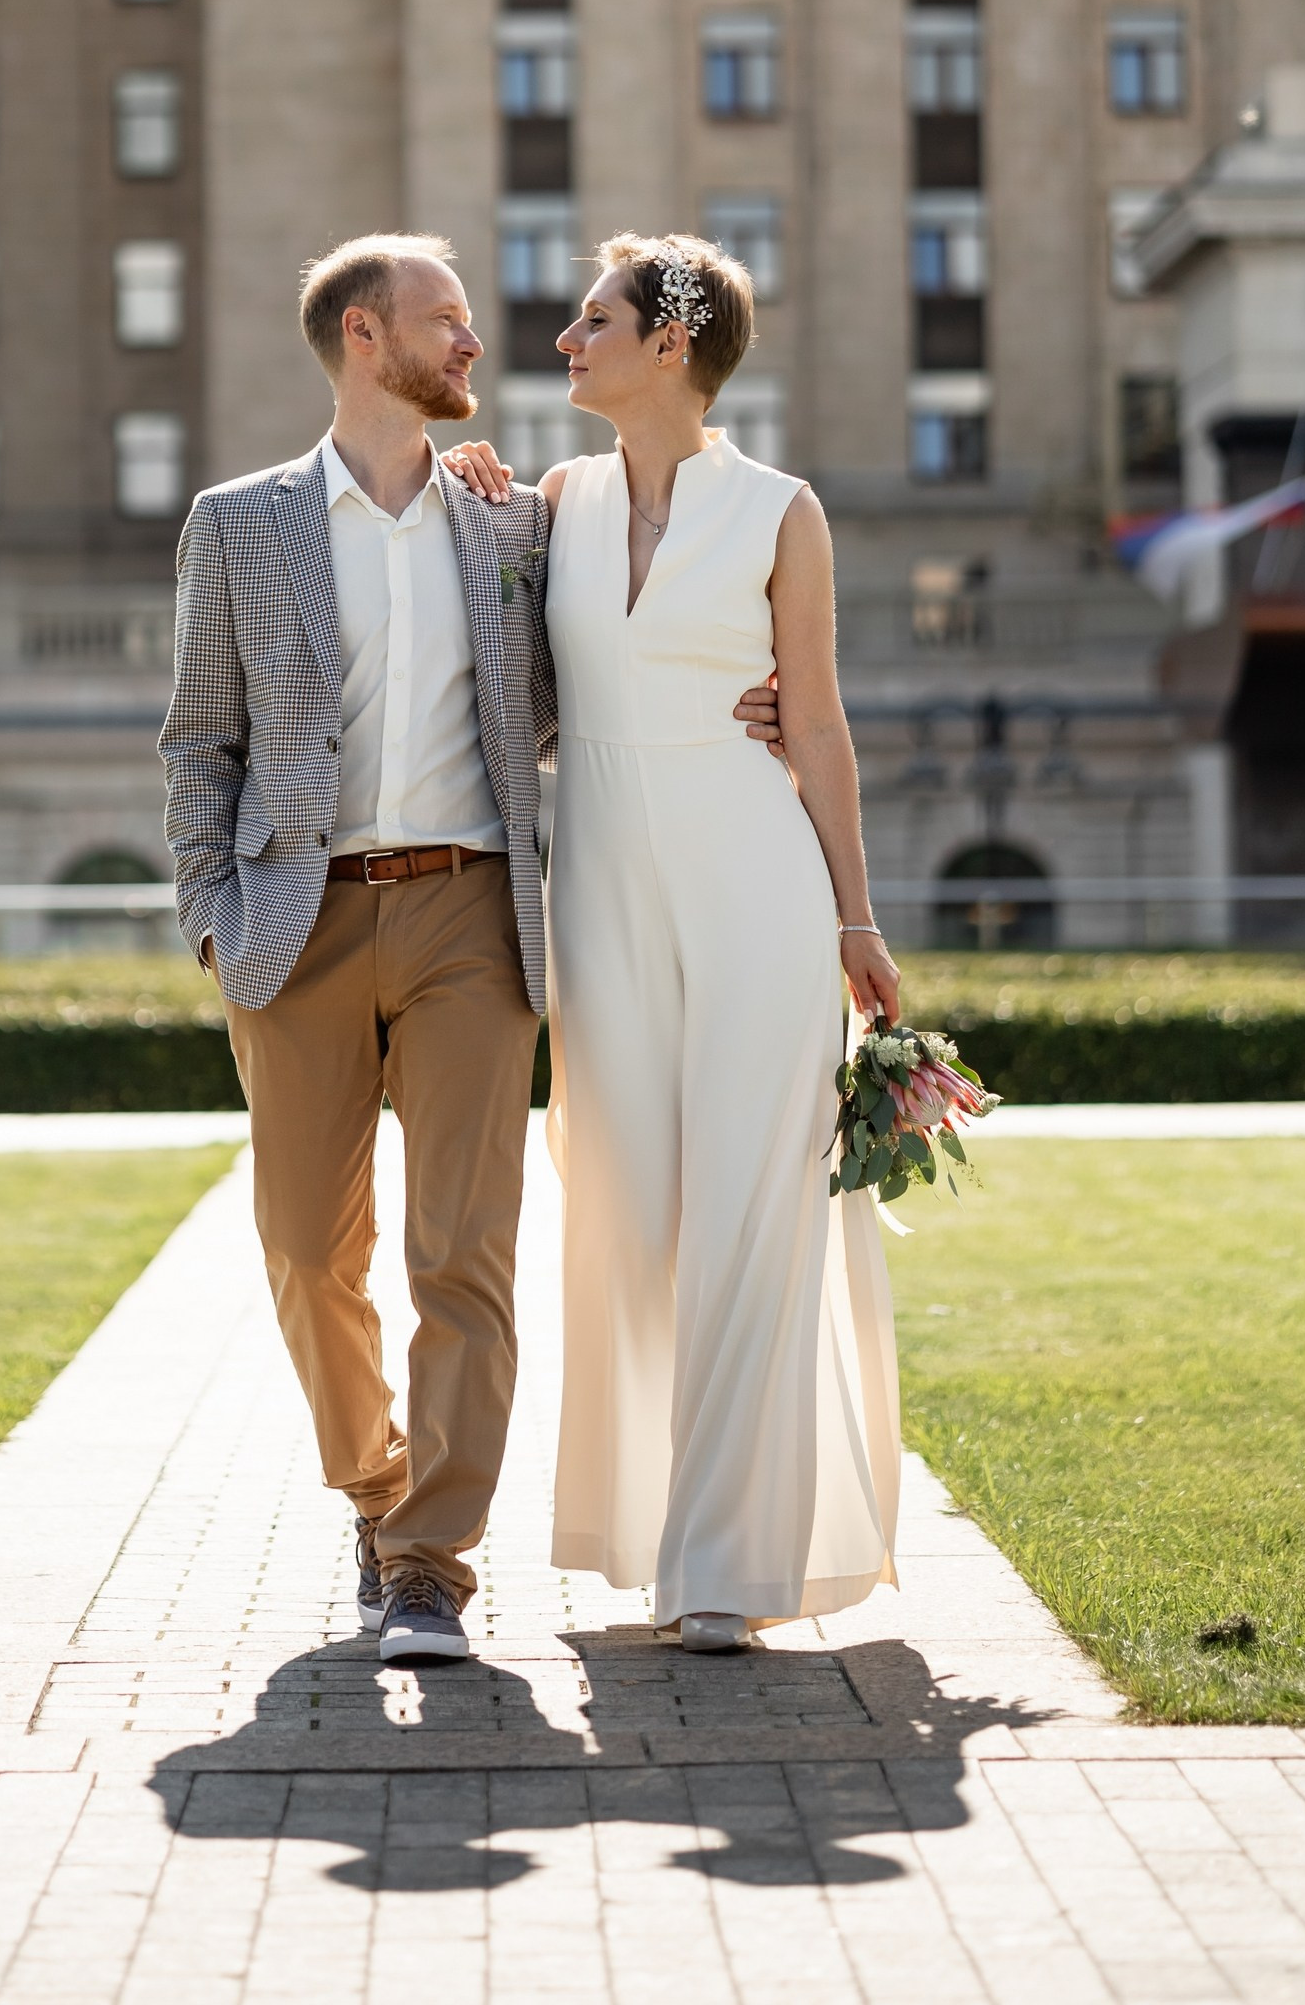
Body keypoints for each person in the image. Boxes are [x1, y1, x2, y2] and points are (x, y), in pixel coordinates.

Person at [159, 231, 783, 1665]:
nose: (475, 346)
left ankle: (432, 1564)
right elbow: (201, 739)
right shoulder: (239, 524)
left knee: (466, 1257)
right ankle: (379, 1492)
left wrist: (738, 709)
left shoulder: (514, 524)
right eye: (445, 322)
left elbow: (595, 679)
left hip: (471, 917)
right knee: (306, 1253)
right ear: (366, 341)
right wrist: (209, 908)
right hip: (293, 919)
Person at [442, 231, 901, 1652]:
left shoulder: (782, 512)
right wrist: (465, 496)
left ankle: (724, 1564)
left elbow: (814, 721)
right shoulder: (553, 502)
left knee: (756, 1209)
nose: (565, 339)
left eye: (593, 320)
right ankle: (652, 1525)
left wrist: (856, 914)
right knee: (629, 1208)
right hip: (602, 888)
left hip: (757, 878)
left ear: (670, 344)